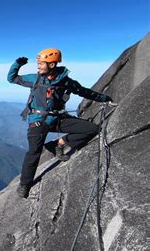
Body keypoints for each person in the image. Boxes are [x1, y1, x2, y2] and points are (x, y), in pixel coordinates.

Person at [7, 48, 113, 198]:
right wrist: (17, 64)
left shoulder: (65, 82)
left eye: (41, 64)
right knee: (34, 152)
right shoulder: (35, 79)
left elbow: (84, 92)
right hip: (37, 121)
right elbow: (12, 78)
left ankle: (59, 143)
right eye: (38, 63)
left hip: (57, 119)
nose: (38, 66)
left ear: (52, 64)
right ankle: (25, 184)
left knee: (92, 129)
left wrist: (104, 98)